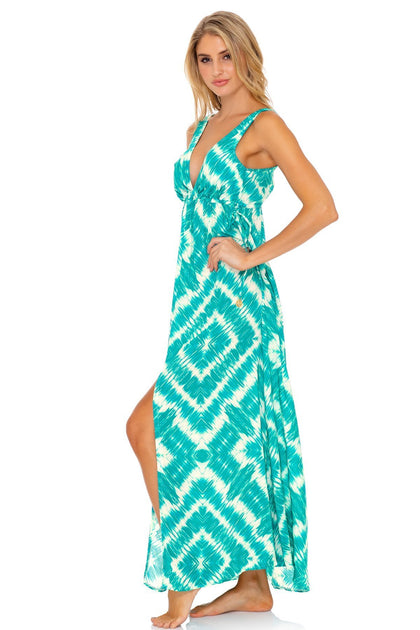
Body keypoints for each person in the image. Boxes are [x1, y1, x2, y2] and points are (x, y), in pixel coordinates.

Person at [126, 10, 338, 629]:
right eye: (205, 58)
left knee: (164, 430)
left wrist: (251, 255)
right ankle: (251, 585)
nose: (217, 70)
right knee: (188, 434)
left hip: (237, 311)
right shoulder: (199, 128)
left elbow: (322, 206)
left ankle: (184, 582)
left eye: (226, 56)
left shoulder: (263, 125)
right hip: (194, 306)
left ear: (246, 56)